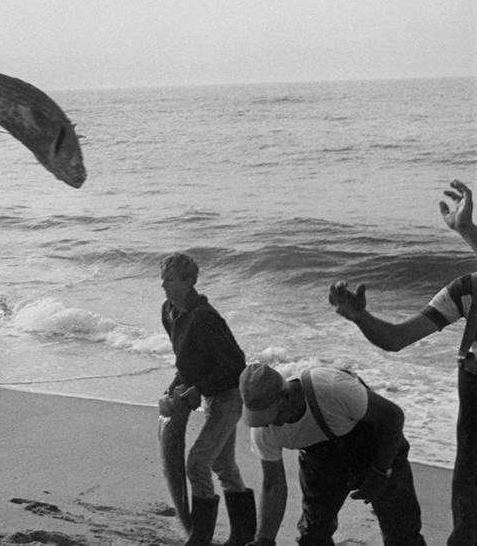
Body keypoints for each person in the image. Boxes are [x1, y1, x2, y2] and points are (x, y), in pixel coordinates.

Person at [329, 178, 477, 545]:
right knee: (469, 523)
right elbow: (395, 339)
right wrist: (362, 318)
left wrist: (467, 230)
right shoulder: (466, 290)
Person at [238, 362, 426, 546]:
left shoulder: (331, 388)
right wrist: (264, 540)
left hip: (376, 444)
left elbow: (392, 416)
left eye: (271, 416)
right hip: (321, 459)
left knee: (402, 532)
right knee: (313, 536)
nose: (268, 424)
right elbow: (273, 485)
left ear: (284, 396)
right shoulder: (263, 430)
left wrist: (380, 471)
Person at [160, 252, 256, 546]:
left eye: (171, 279)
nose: (163, 285)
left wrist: (199, 389)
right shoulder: (168, 310)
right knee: (224, 466)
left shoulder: (205, 317)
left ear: (190, 281)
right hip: (210, 395)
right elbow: (186, 360)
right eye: (162, 278)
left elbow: (235, 366)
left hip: (228, 395)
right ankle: (242, 537)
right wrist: (174, 388)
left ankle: (199, 538)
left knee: (198, 463)